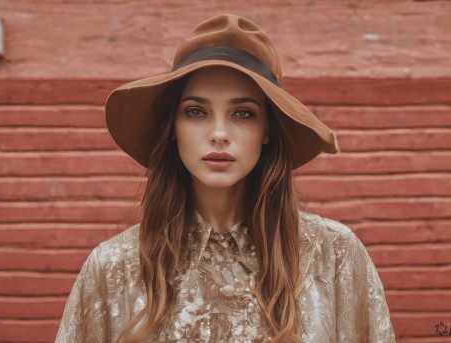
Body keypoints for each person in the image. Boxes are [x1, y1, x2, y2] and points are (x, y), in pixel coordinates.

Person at [55, 13, 395, 343]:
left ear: (267, 130)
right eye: (196, 111)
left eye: (243, 113)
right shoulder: (114, 266)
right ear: (173, 127)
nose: (219, 133)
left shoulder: (333, 255)